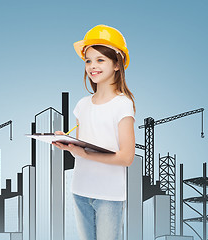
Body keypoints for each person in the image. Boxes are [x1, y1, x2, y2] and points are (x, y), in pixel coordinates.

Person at [52, 24, 136, 240]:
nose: (92, 66)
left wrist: (85, 154)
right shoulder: (82, 104)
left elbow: (126, 157)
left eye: (100, 60)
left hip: (109, 195)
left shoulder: (122, 104)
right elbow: (81, 149)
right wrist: (67, 143)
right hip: (80, 190)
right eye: (88, 60)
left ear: (117, 64)